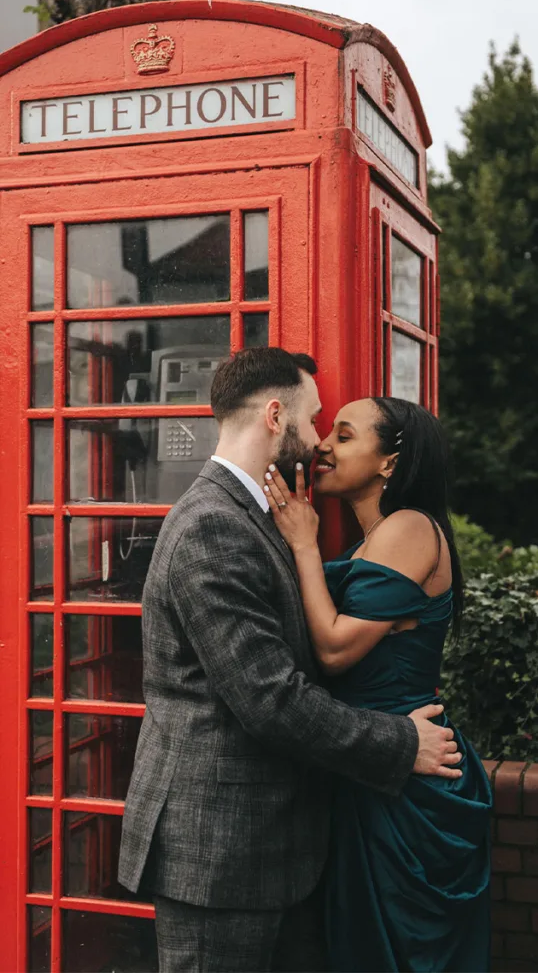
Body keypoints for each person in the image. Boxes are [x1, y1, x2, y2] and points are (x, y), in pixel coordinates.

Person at [118, 348, 462, 973]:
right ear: (276, 416)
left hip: (283, 843)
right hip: (220, 851)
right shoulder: (213, 526)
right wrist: (398, 742)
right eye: (314, 420)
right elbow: (270, 698)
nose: (319, 441)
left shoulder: (257, 518)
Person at [263, 394, 491, 973]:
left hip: (406, 781)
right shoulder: (373, 540)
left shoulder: (409, 529)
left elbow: (336, 650)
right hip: (370, 760)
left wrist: (304, 544)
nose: (321, 446)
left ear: (390, 462)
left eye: (343, 436)